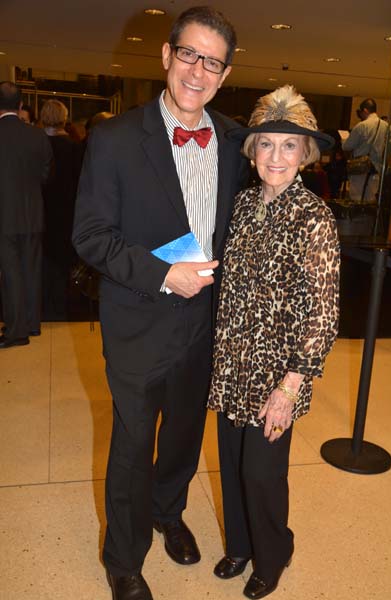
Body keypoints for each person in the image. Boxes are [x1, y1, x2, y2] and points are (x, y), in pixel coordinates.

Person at [72, 6, 248, 600]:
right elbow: (90, 235)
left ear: (225, 73)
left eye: (213, 62)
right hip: (138, 320)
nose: (199, 71)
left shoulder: (233, 137)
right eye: (190, 55)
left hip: (206, 325)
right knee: (132, 443)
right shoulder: (116, 138)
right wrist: (163, 275)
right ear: (168, 56)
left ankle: (168, 513)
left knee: (181, 440)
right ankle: (123, 560)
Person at [208, 85, 340, 599]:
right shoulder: (242, 205)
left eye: (290, 146)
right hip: (232, 366)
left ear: (305, 155)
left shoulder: (314, 217)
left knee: (262, 475)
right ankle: (240, 545)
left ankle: (273, 551)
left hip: (276, 376)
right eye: (267, 145)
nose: (277, 157)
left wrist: (290, 387)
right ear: (253, 151)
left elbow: (323, 312)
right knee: (233, 463)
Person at [0, 81, 53, 348]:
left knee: (10, 275)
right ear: (20, 105)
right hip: (33, 213)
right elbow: (45, 175)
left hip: (3, 217)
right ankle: (32, 324)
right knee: (31, 271)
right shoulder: (37, 136)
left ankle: (16, 332)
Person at [40, 99, 82, 319]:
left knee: (41, 265)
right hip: (66, 213)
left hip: (39, 212)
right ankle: (59, 311)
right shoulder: (74, 148)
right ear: (64, 119)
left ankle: (42, 309)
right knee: (60, 267)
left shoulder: (36, 145)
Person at [343, 98, 391, 203]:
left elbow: (347, 146)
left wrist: (344, 140)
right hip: (375, 170)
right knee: (370, 200)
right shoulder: (386, 126)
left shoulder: (362, 126)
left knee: (356, 199)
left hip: (359, 169)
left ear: (365, 110)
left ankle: (357, 219)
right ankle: (367, 219)